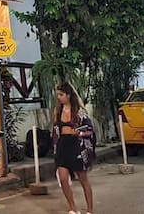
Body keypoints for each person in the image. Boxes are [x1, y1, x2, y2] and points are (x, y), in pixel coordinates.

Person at [52, 82, 96, 214]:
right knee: (63, 178)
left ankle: (90, 210)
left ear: (68, 95)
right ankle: (72, 208)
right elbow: (55, 130)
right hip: (62, 145)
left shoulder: (79, 111)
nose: (59, 97)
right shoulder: (57, 111)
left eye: (61, 95)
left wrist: (79, 133)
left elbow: (89, 130)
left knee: (83, 178)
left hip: (76, 145)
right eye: (58, 95)